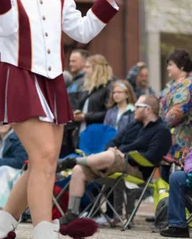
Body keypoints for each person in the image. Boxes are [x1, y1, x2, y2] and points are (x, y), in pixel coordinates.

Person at [0, 0, 128, 238]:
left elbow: (82, 31)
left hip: (51, 80)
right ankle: (44, 232)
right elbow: (3, 29)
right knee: (45, 157)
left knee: (41, 162)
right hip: (17, 73)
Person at [57, 94, 171, 226]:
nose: (134, 109)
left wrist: (125, 156)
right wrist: (113, 150)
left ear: (148, 110)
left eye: (138, 107)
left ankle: (72, 161)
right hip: (113, 166)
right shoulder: (134, 125)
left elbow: (152, 157)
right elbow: (112, 142)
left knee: (111, 156)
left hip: (136, 171)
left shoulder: (162, 130)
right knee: (79, 170)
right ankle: (72, 213)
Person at [159, 49, 192, 164]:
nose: (167, 68)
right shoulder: (172, 85)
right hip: (169, 140)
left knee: (178, 169)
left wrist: (158, 126)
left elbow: (177, 112)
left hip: (183, 143)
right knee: (165, 173)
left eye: (171, 65)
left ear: (181, 66)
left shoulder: (188, 84)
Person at [160, 136, 192, 237]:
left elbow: (171, 119)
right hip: (180, 147)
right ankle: (178, 225)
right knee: (175, 177)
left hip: (185, 140)